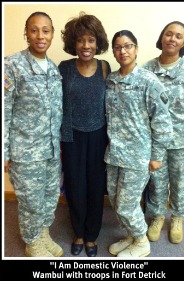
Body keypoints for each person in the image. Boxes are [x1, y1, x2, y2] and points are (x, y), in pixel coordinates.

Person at [104, 30, 173, 257]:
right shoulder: (111, 80)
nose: (123, 51)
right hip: (114, 154)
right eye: (118, 47)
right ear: (113, 51)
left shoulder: (148, 81)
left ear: (136, 49)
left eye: (128, 46)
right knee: (116, 201)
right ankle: (133, 236)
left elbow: (162, 122)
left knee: (127, 204)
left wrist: (157, 156)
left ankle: (142, 242)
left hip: (138, 156)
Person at [4, 12, 63, 257]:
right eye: (34, 30)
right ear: (26, 33)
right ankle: (32, 242)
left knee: (50, 197)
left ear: (52, 34)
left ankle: (43, 233)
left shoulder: (53, 69)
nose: (40, 36)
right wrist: (4, 151)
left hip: (51, 150)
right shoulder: (11, 65)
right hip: (25, 152)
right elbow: (4, 110)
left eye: (46, 30)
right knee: (30, 202)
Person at [58, 12, 111, 257]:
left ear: (98, 42)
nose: (86, 46)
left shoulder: (105, 67)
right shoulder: (65, 68)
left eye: (91, 40)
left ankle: (92, 235)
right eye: (80, 40)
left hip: (99, 136)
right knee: (75, 186)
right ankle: (78, 232)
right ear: (73, 43)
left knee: (95, 186)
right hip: (71, 137)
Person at [142, 21, 184, 244]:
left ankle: (176, 218)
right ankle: (157, 217)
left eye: (178, 36)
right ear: (162, 37)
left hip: (182, 142)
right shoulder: (147, 70)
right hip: (156, 143)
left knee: (181, 183)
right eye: (169, 34)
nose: (172, 39)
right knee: (156, 183)